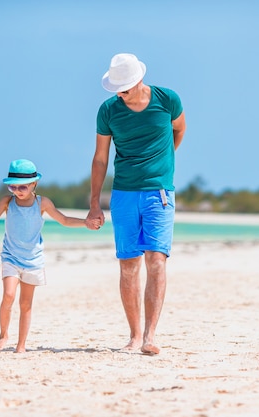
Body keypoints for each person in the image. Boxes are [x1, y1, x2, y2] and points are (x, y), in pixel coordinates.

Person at [87, 53, 186, 355]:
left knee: (156, 261)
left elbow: (178, 130)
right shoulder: (108, 110)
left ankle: (151, 336)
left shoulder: (168, 100)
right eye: (116, 89)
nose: (120, 93)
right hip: (124, 193)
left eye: (125, 88)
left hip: (159, 193)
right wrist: (94, 202)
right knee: (128, 265)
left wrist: (163, 161)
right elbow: (101, 157)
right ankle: (134, 335)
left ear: (139, 80)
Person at [0, 159, 100, 353]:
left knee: (25, 303)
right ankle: (3, 334)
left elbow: (63, 220)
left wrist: (85, 223)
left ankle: (21, 344)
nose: (17, 191)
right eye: (12, 187)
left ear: (34, 185)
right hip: (11, 257)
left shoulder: (42, 203)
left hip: (33, 260)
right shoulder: (7, 202)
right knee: (8, 295)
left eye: (22, 187)